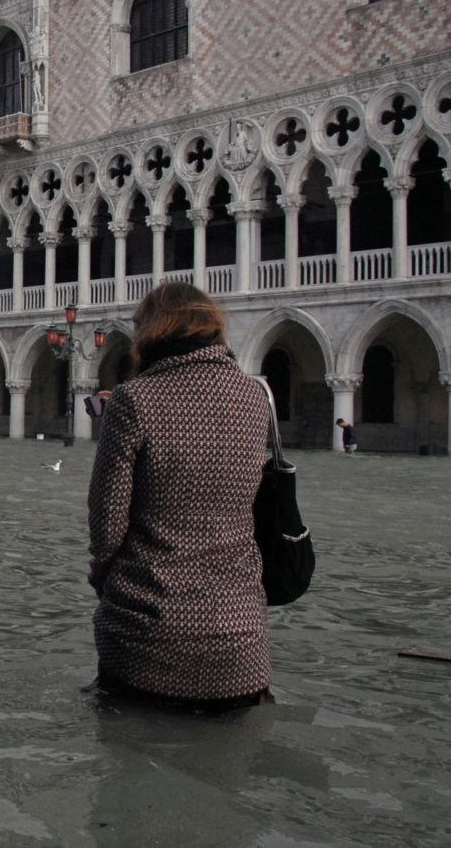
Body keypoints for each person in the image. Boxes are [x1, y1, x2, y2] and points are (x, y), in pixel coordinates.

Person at [87, 282, 272, 712]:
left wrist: (104, 579)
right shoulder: (254, 397)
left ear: (152, 331)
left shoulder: (134, 399)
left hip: (147, 639)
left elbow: (107, 523)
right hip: (241, 644)